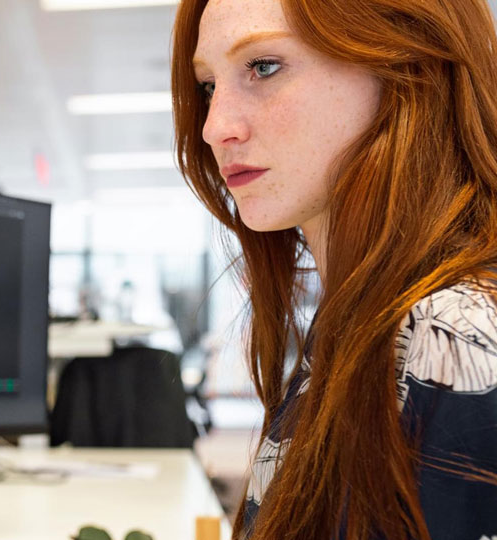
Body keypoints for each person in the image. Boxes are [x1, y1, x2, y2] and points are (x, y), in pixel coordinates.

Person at [171, 0, 497, 538]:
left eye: (263, 66)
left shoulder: (456, 332)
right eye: (208, 86)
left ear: (405, 61)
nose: (213, 128)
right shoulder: (361, 315)